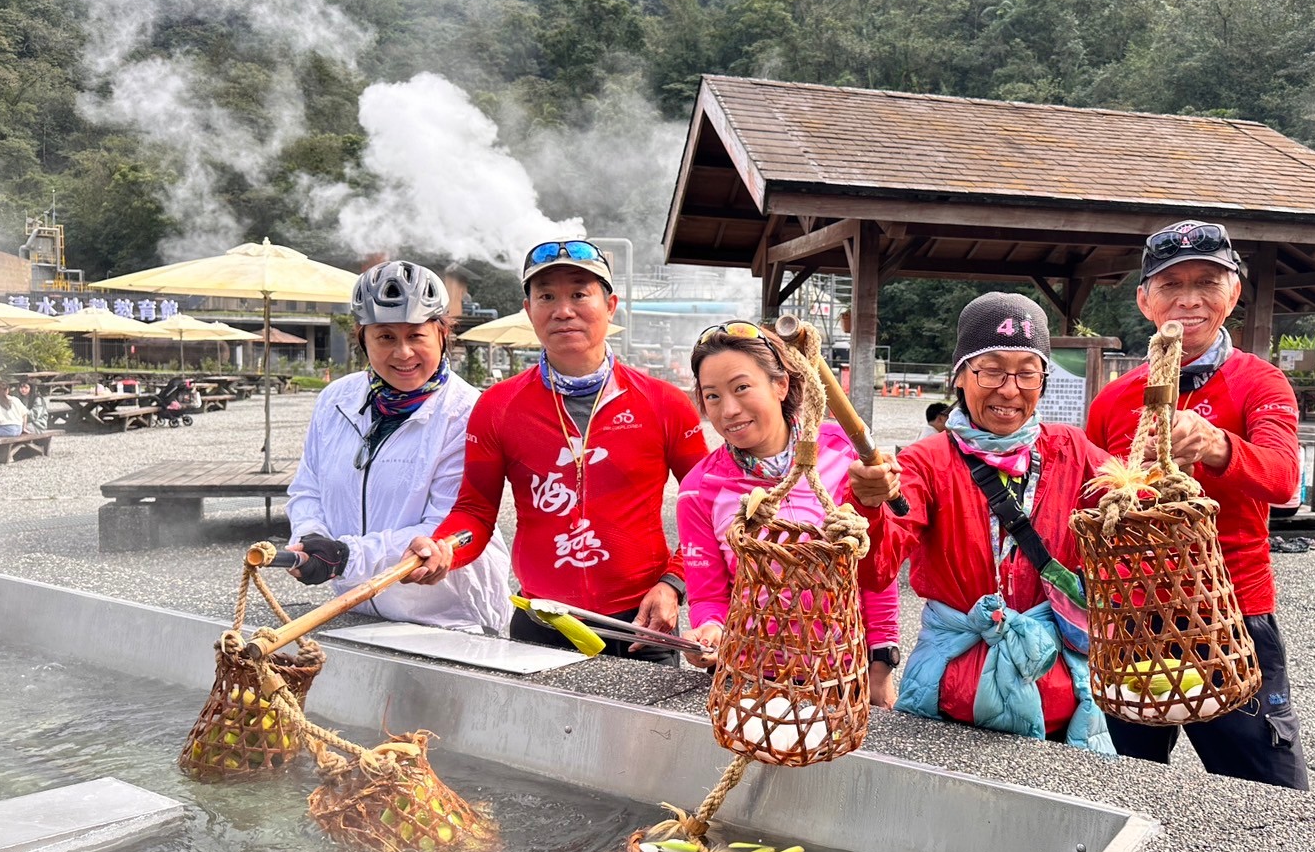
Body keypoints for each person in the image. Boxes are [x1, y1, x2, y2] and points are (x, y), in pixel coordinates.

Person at [1085, 220, 1308, 790]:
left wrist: (1216, 445)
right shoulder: (1114, 400)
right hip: (1131, 617)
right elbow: (1092, 503)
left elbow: (1284, 481)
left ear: (1234, 292)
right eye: (1170, 284)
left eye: (1208, 281)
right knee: (1129, 784)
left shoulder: (1261, 384)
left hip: (1231, 614)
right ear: (1143, 299)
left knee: (1266, 793)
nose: (1189, 300)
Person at [414, 239, 708, 661]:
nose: (563, 309)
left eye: (579, 293)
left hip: (643, 621)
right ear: (528, 309)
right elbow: (475, 512)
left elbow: (711, 508)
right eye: (546, 296)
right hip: (542, 620)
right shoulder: (497, 407)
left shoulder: (663, 403)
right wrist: (445, 548)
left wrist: (675, 584)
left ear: (610, 305)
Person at [848, 292, 1115, 754]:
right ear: (960, 376)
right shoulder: (924, 462)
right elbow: (875, 567)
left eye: (1027, 372)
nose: (1009, 389)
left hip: (1061, 695)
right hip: (954, 694)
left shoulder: (1073, 450)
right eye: (990, 370)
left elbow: (1136, 521)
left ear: (1043, 379)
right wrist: (869, 507)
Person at [677, 321, 902, 705]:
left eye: (741, 387)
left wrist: (881, 661)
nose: (728, 410)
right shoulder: (698, 489)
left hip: (840, 672)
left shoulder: (844, 455)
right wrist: (708, 632)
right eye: (712, 396)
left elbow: (874, 568)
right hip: (749, 678)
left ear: (780, 385)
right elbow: (707, 596)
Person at [286, 261, 510, 634]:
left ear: (441, 335)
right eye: (386, 337)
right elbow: (308, 488)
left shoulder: (469, 412)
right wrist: (310, 538)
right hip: (354, 610)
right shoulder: (335, 401)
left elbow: (447, 522)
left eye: (416, 336)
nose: (403, 353)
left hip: (448, 619)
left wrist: (345, 556)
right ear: (363, 340)